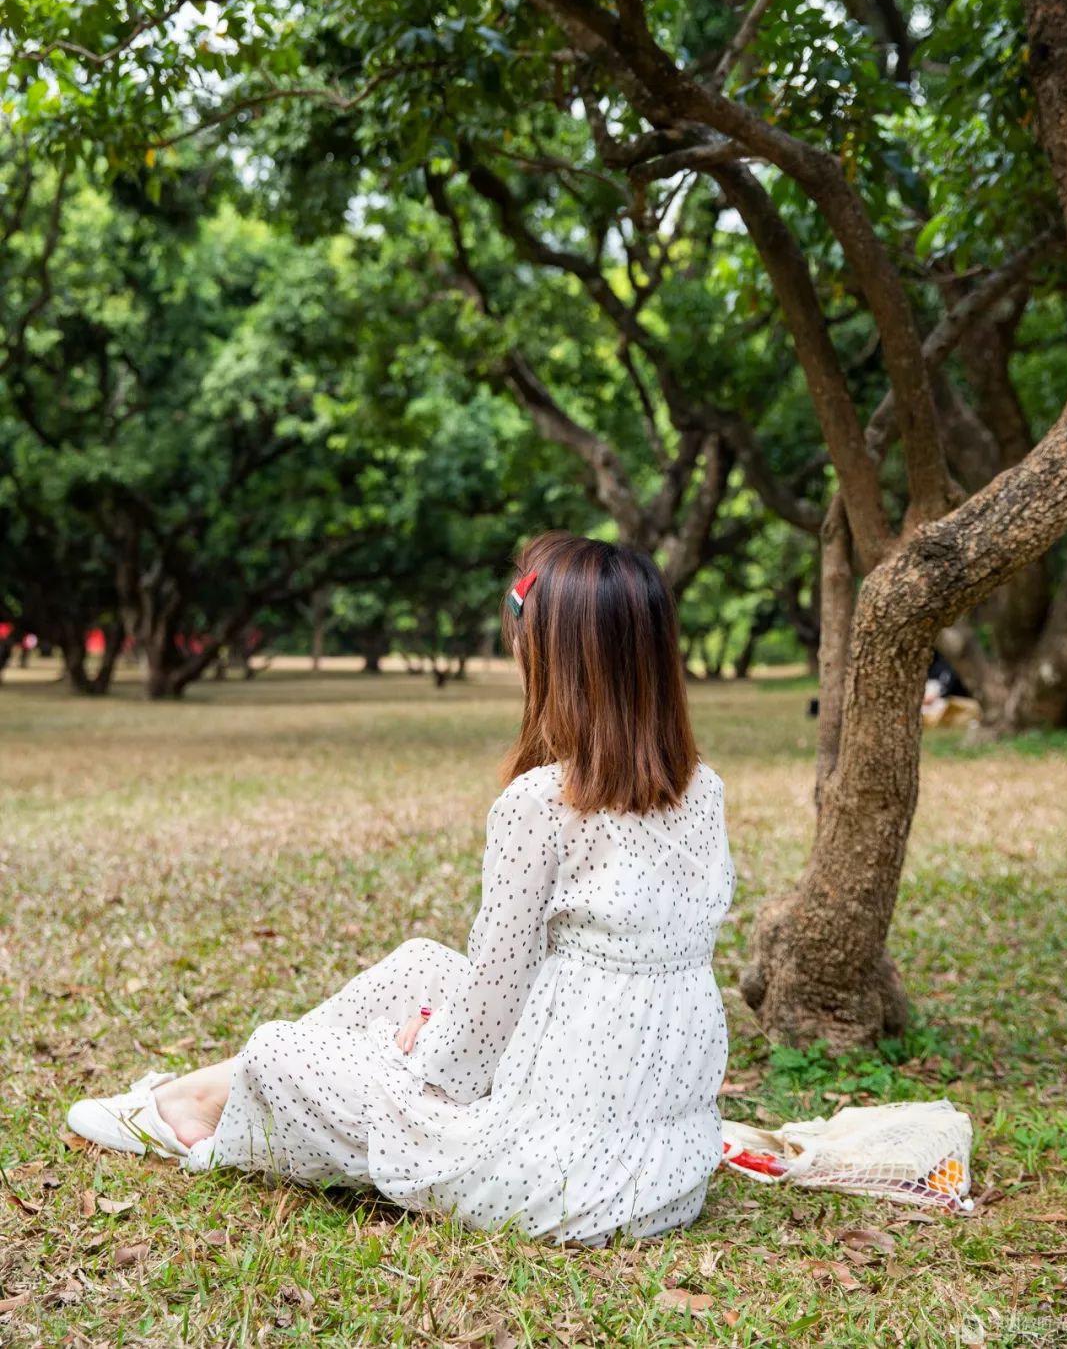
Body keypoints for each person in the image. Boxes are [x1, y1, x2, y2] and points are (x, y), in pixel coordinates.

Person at [66, 532, 737, 1246]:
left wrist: (421, 1052)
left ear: (552, 659)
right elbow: (578, 974)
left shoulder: (545, 804)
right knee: (420, 965)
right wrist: (431, 1029)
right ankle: (209, 1092)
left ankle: (199, 1101)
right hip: (662, 1162)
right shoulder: (703, 790)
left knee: (277, 1053)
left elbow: (488, 1018)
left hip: (561, 1171)